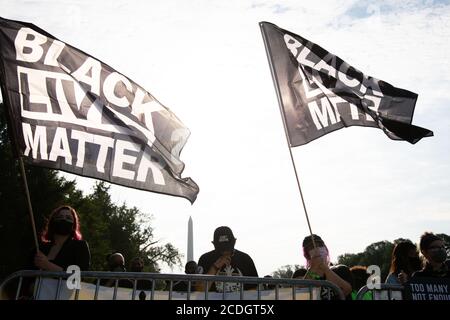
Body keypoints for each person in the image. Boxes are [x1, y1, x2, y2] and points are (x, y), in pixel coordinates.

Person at [197, 226, 258, 292]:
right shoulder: (205, 259)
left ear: (234, 242)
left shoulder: (245, 259)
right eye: (221, 248)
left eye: (228, 246)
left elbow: (255, 290)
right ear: (213, 244)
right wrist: (214, 267)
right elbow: (199, 291)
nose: (225, 250)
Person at [33, 205, 90, 271]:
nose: (64, 220)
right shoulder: (40, 248)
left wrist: (48, 265)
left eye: (68, 218)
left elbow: (80, 274)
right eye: (60, 217)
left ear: (73, 225)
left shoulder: (80, 246)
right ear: (53, 222)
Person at [302, 234, 352, 300]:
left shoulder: (341, 269)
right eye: (312, 247)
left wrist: (325, 268)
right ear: (307, 255)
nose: (317, 249)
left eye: (320, 245)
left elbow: (346, 290)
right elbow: (301, 294)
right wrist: (313, 267)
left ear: (325, 248)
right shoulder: (308, 275)